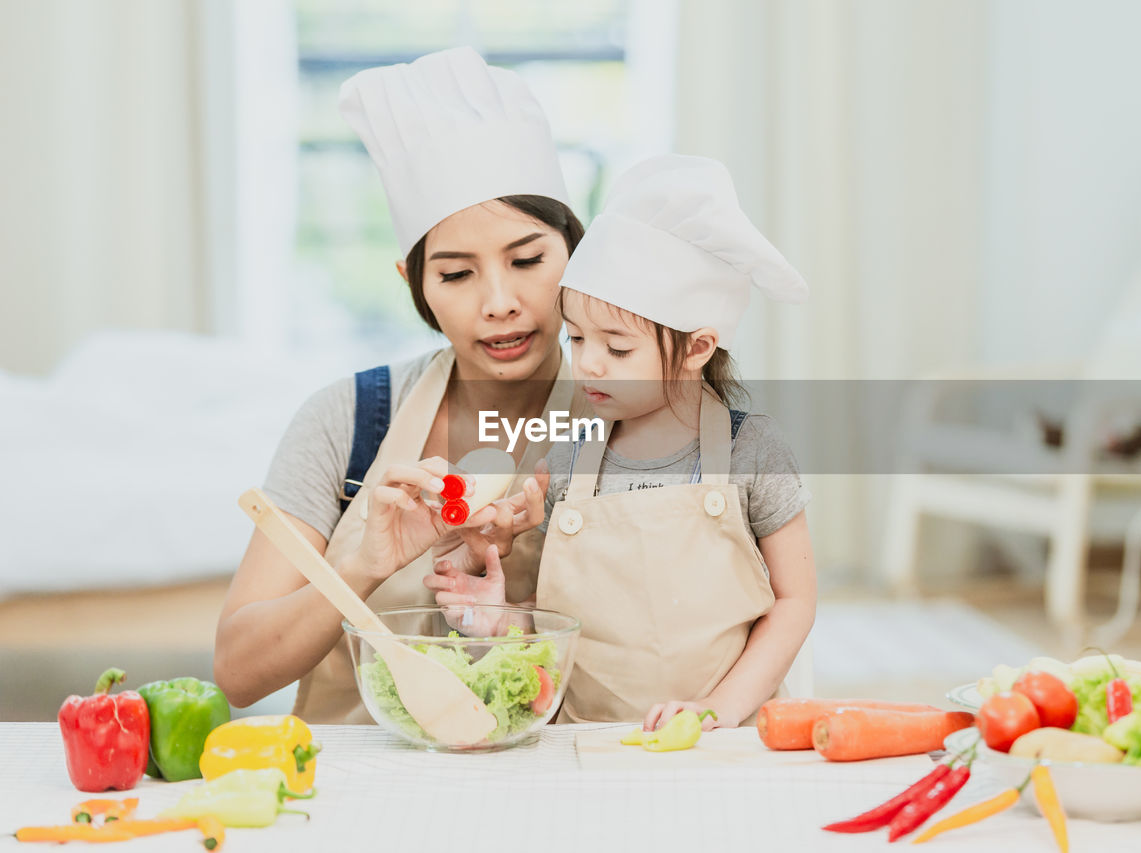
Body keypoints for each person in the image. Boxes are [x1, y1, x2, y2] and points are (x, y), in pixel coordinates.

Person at [214, 47, 588, 723]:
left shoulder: (641, 421)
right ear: (413, 283)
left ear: (575, 250)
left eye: (528, 259)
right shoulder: (348, 421)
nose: (499, 301)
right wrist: (361, 562)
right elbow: (239, 671)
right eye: (456, 274)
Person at [426, 154, 816, 731]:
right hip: (589, 740)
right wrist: (501, 621)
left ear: (696, 349)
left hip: (725, 741)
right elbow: (570, 625)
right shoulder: (568, 457)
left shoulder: (752, 449)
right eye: (578, 338)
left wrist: (718, 710)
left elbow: (795, 602)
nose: (588, 365)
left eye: (617, 347)